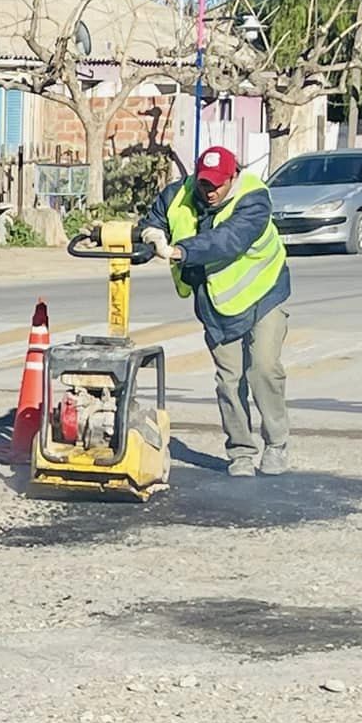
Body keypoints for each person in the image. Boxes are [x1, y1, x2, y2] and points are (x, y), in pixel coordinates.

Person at [140, 145, 292, 476]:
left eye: (217, 185)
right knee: (229, 379)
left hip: (265, 292)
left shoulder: (253, 198)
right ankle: (240, 451)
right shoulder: (178, 194)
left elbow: (229, 240)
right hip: (217, 303)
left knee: (264, 369)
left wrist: (180, 251)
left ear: (233, 177)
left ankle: (277, 443)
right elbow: (153, 219)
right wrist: (151, 233)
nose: (209, 191)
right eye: (204, 183)